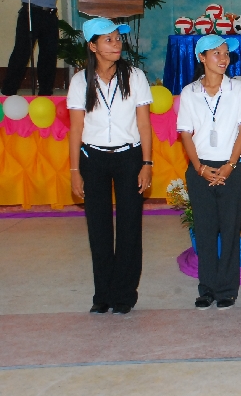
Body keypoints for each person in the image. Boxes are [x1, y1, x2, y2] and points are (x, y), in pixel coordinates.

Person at [66, 17, 153, 315]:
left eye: (118, 38)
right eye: (109, 40)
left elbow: (144, 124)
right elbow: (76, 129)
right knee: (98, 227)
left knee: (130, 226)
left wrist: (147, 163)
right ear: (93, 46)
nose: (117, 44)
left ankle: (125, 294)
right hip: (93, 159)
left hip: (130, 157)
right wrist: (75, 171)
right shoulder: (80, 81)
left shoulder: (135, 76)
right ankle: (102, 294)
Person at [177, 36, 241, 310]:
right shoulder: (189, 92)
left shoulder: (238, 90)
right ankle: (206, 288)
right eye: (216, 53)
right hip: (201, 168)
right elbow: (185, 133)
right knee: (205, 230)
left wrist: (230, 165)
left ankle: (227, 289)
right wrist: (199, 167)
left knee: (231, 230)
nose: (223, 59)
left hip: (231, 167)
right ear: (201, 57)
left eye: (226, 54)